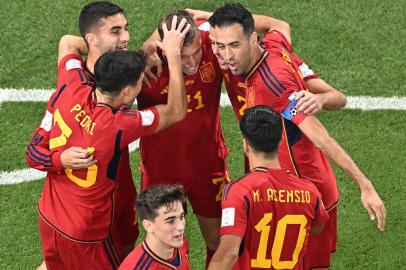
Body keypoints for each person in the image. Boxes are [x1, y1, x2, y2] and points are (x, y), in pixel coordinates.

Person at [208, 3, 386, 269]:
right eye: (218, 45)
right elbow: (281, 25)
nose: (224, 56)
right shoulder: (275, 46)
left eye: (234, 45)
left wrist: (365, 185)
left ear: (253, 38)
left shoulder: (274, 85)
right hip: (285, 185)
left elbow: (319, 136)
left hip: (303, 191)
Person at [27, 14, 190, 270]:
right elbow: (176, 111)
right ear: (127, 91)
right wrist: (173, 55)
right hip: (87, 233)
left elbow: (68, 43)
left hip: (49, 216)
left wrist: (106, 51)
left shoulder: (71, 84)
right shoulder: (117, 124)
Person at [26, 3, 139, 268]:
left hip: (119, 187)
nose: (125, 38)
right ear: (91, 38)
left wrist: (106, 47)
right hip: (87, 212)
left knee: (126, 246)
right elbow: (33, 151)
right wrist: (60, 159)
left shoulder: (107, 72)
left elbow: (67, 41)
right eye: (115, 31)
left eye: (125, 29)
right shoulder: (71, 86)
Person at [139, 10, 230, 266]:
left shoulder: (211, 43)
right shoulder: (145, 69)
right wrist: (148, 47)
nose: (191, 63)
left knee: (219, 241)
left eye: (196, 53)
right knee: (167, 248)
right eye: (182, 56)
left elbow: (187, 14)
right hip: (161, 173)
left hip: (208, 164)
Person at [208, 105, 329, 270]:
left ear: (245, 145)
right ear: (280, 140)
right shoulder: (310, 192)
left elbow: (228, 254)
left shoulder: (239, 192)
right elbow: (318, 226)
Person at [119, 184, 190, 270]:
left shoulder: (178, 242)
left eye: (181, 217)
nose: (181, 227)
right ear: (148, 226)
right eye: (170, 221)